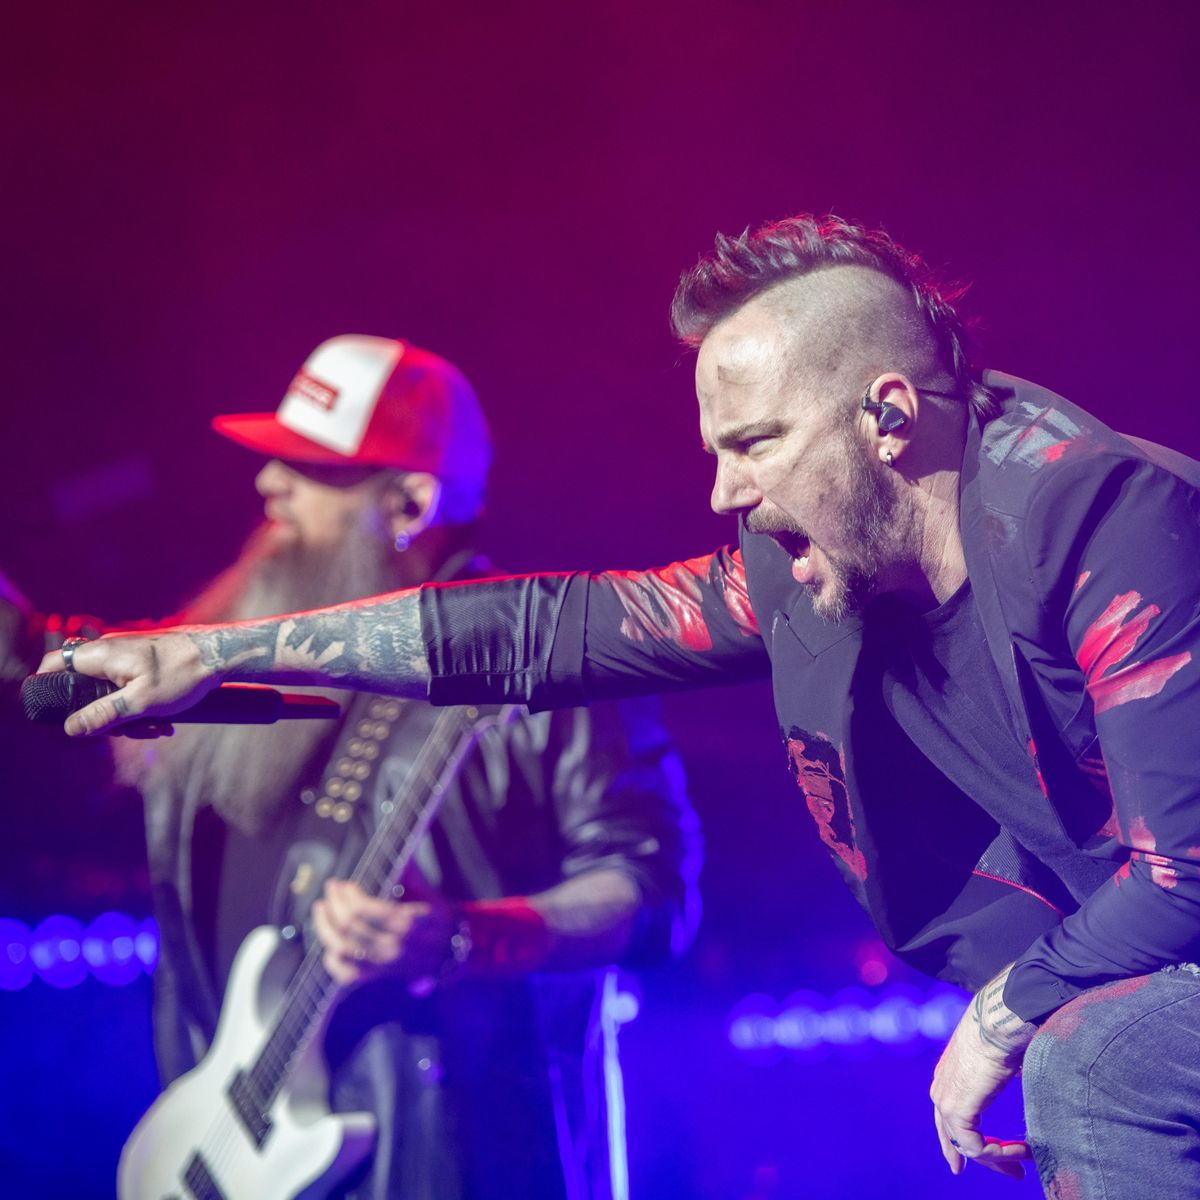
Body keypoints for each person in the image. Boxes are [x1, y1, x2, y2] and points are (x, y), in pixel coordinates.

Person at [48, 220, 1200, 1198]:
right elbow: (548, 630)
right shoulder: (801, 575)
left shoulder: (1102, 518)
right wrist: (216, 653)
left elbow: (1183, 874)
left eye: (756, 445)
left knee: (1091, 1055)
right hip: (1144, 970)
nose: (725, 490)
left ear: (888, 416)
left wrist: (1005, 1012)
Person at [88, 335, 701, 1200]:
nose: (269, 485)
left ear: (410, 500)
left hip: (443, 1156)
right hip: (225, 1153)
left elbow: (654, 892)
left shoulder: (540, 665)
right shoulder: (249, 661)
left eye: (313, 469)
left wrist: (459, 936)